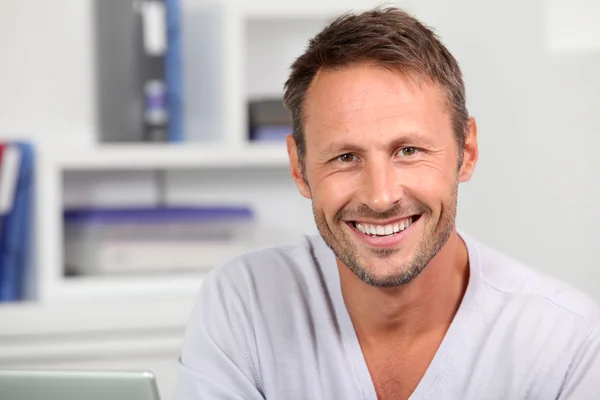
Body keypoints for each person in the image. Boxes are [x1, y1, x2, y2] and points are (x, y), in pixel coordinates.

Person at [176, 7, 600, 400]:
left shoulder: (566, 343)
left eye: (409, 150)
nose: (381, 196)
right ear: (300, 168)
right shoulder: (245, 303)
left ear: (466, 152)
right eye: (345, 157)